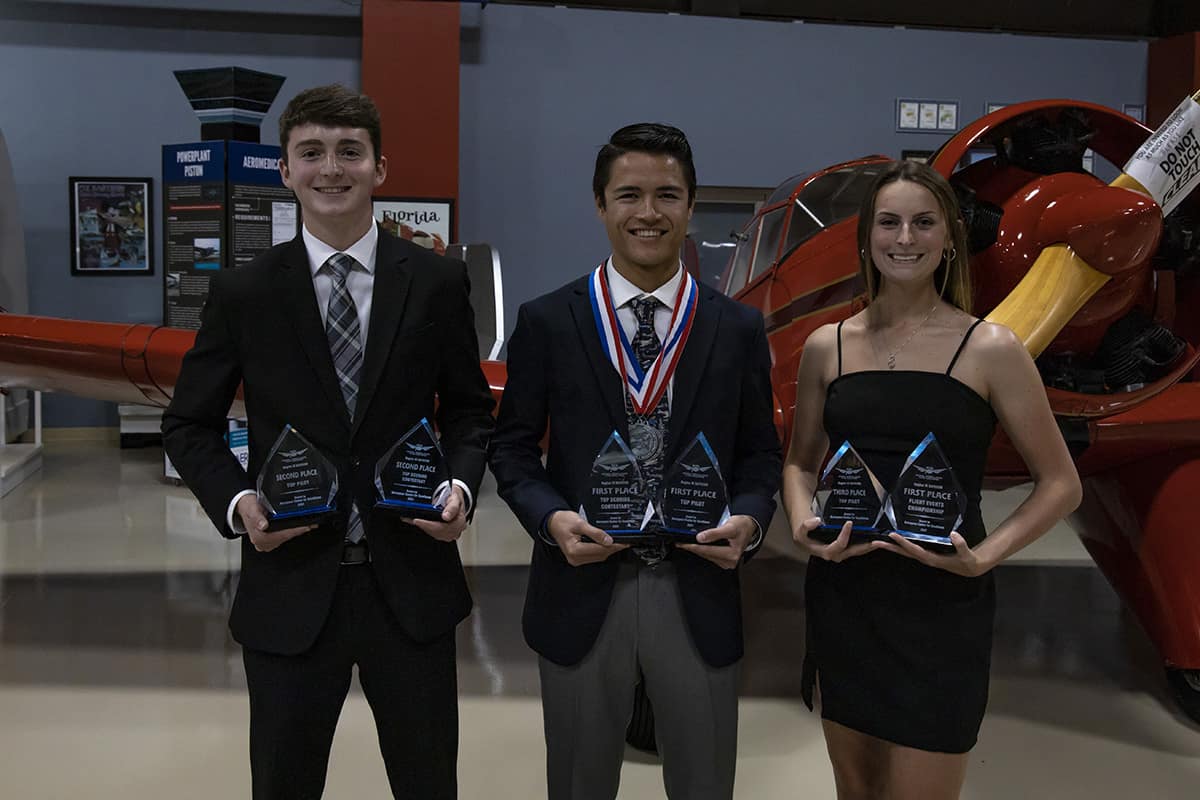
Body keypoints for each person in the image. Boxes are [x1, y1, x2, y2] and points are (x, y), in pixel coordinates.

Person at [161, 84, 495, 799]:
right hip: (290, 583)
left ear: (381, 168)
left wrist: (462, 487)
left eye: (350, 151)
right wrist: (238, 501)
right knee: (283, 783)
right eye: (310, 153)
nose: (331, 169)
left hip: (409, 584)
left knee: (428, 781)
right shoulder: (243, 293)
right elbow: (189, 425)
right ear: (285, 170)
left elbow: (470, 412)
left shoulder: (436, 283)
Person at [488, 122, 782, 800]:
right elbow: (511, 448)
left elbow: (761, 455)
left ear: (691, 205)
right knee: (579, 783)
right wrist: (552, 519)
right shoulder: (548, 321)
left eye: (666, 195)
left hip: (698, 587)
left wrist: (749, 520)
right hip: (582, 585)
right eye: (629, 195)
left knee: (704, 783)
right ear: (600, 205)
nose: (648, 213)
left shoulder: (735, 328)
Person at [781, 160, 1082, 799]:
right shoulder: (825, 346)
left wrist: (984, 560)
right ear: (866, 239)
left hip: (942, 606)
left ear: (949, 239)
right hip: (846, 595)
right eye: (888, 223)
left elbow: (1060, 483)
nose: (905, 238)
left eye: (924, 223)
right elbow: (799, 463)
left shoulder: (993, 348)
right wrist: (805, 522)